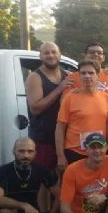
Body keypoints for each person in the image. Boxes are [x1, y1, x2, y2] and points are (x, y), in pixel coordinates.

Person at [55, 60, 108, 170]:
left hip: (99, 151)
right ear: (79, 76)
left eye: (91, 73)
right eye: (83, 73)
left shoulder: (106, 97)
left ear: (98, 76)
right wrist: (60, 156)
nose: (87, 76)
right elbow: (60, 128)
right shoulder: (70, 97)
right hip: (75, 152)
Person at [25, 42, 72, 170]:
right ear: (40, 56)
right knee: (44, 182)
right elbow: (35, 108)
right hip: (43, 140)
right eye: (46, 53)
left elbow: (90, 76)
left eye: (53, 52)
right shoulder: (35, 77)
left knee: (64, 178)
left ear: (59, 54)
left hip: (65, 139)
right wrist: (59, 89)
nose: (50, 55)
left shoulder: (67, 76)